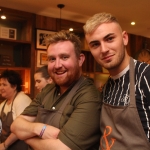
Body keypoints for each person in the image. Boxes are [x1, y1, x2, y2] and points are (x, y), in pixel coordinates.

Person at [11, 30, 101, 150]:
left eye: (64, 57)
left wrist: (27, 137)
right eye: (52, 59)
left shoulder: (89, 96)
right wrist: (41, 129)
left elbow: (62, 149)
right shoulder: (47, 90)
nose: (57, 65)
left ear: (80, 59)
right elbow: (16, 126)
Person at [83, 12, 150, 149]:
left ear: (124, 38)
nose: (104, 49)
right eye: (95, 44)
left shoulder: (146, 76)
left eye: (109, 39)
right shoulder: (107, 86)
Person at [0, 70, 32, 150]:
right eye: (0, 85)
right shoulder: (2, 105)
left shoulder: (22, 99)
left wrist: (5, 145)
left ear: (14, 86)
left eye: (4, 85)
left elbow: (21, 128)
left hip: (20, 146)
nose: (1, 88)